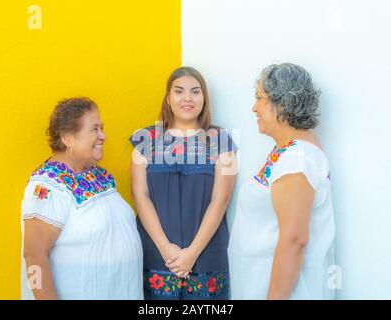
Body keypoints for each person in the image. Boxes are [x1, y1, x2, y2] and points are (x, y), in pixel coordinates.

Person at [228, 63, 336, 299]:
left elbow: (294, 240)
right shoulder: (290, 152)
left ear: (283, 102)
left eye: (260, 98)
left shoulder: (298, 158)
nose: (253, 108)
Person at [129, 67, 238, 300]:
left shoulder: (222, 141)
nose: (187, 98)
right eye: (179, 91)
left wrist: (192, 253)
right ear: (168, 98)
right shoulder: (145, 140)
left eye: (195, 92)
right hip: (157, 254)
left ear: (204, 99)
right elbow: (140, 195)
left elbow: (221, 200)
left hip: (206, 254)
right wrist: (166, 248)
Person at [21, 97, 143, 299]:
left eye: (102, 128)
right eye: (94, 129)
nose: (103, 135)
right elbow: (34, 255)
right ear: (67, 138)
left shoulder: (100, 175)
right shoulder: (47, 187)